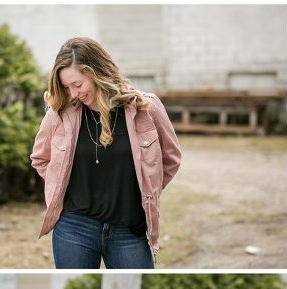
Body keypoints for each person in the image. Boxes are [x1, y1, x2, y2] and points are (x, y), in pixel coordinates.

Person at [31, 37, 182, 269]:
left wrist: (146, 189)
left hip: (128, 229)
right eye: (66, 87)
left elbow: (170, 159)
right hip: (74, 227)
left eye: (78, 84)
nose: (73, 93)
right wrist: (60, 184)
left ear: (97, 72)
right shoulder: (59, 113)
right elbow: (41, 158)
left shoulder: (145, 108)